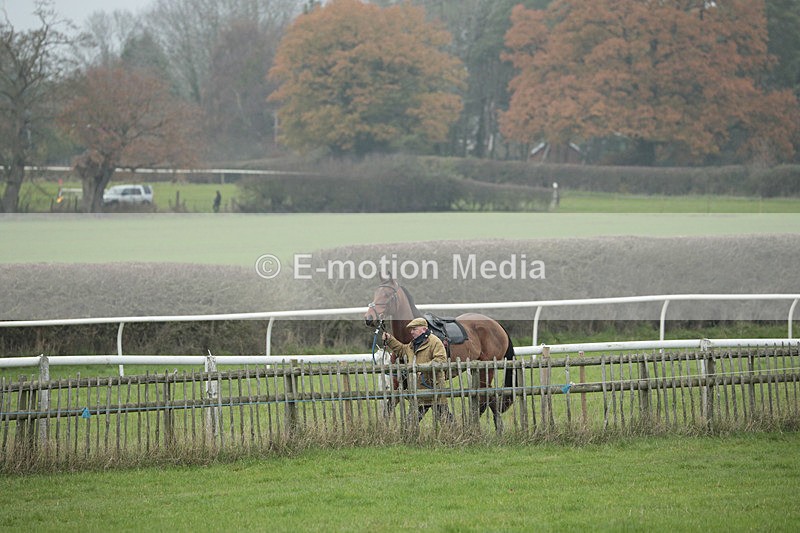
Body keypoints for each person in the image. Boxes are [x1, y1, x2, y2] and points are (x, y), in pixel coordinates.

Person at [382, 317, 453, 424]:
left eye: (414, 329)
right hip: (419, 391)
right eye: (411, 329)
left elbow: (440, 360)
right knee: (410, 423)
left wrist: (420, 368)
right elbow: (402, 350)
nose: (411, 332)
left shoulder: (435, 342)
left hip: (433, 389)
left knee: (446, 420)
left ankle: (456, 433)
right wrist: (390, 339)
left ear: (424, 329)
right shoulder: (413, 344)